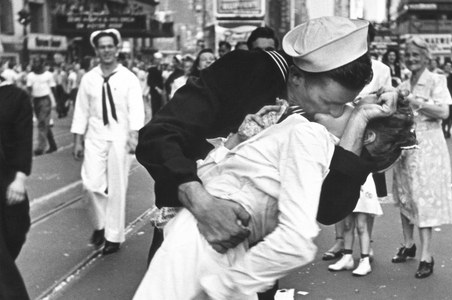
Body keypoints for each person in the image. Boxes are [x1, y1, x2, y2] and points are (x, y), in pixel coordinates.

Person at [136, 16, 398, 299]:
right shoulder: (247, 70)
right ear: (297, 77)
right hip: (194, 238)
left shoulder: (316, 126)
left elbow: (328, 209)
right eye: (330, 103)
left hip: (252, 263)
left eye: (344, 105)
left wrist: (363, 124)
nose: (336, 113)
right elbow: (158, 136)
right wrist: (201, 201)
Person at [135, 95, 416, 300]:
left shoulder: (315, 142)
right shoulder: (301, 129)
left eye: (352, 108)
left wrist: (226, 283)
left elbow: (305, 232)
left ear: (364, 135)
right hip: (215, 243)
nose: (342, 103)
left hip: (210, 244)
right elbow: (208, 174)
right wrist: (238, 140)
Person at [322, 22, 393, 266]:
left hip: (370, 140)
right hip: (340, 133)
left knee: (367, 198)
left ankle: (366, 246)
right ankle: (341, 241)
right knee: (338, 185)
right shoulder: (337, 66)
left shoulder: (381, 69)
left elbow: (387, 106)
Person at [71, 28, 145, 255]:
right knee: (91, 185)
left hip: (120, 138)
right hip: (94, 137)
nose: (106, 51)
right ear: (96, 50)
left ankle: (113, 236)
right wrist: (77, 140)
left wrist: (134, 135)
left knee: (117, 188)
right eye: (102, 47)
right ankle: (100, 225)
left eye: (110, 46)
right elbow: (81, 110)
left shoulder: (128, 78)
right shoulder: (89, 79)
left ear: (116, 49)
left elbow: (136, 109)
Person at [391, 37, 452, 279]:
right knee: (405, 195)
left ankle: (427, 255)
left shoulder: (437, 80)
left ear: (426, 57)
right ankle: (409, 244)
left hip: (429, 145)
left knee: (424, 197)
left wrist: (414, 101)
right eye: (408, 55)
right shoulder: (403, 83)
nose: (411, 59)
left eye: (416, 55)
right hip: (406, 144)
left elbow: (443, 112)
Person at [0, 65, 33, 300]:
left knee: (15, 231)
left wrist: (20, 178)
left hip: (6, 179)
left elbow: (23, 138)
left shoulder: (16, 97)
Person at [26, 58, 58, 155]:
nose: (36, 65)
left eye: (38, 63)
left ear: (43, 63)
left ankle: (40, 147)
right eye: (34, 63)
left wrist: (55, 102)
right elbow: (29, 89)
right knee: (44, 124)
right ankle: (53, 145)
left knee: (42, 123)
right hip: (36, 100)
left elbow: (53, 88)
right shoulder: (30, 76)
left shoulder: (48, 75)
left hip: (45, 100)